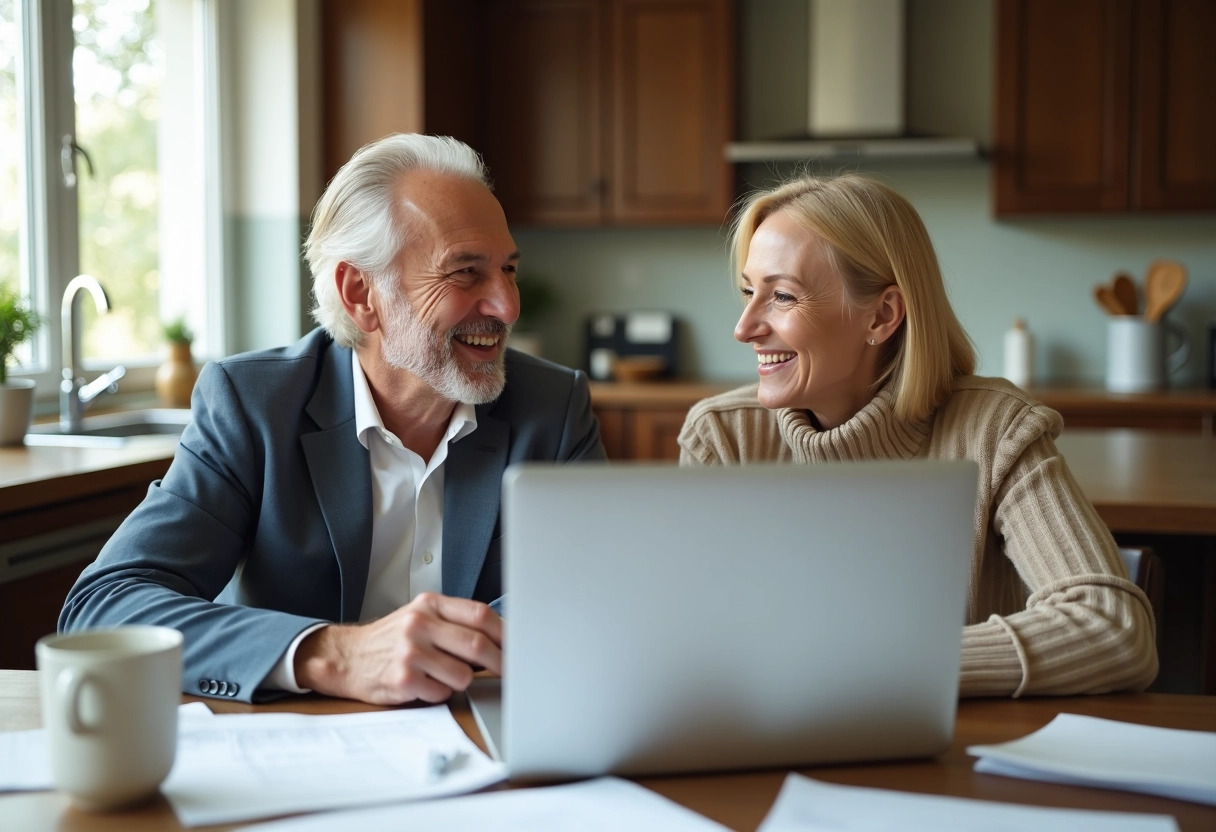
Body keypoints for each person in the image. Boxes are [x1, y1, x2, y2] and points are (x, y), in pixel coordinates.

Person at [60, 134, 605, 705]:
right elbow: (105, 608)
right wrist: (332, 654)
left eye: (508, 270)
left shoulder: (555, 407)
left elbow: (599, 587)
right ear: (360, 292)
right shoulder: (253, 405)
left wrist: (456, 648)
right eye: (466, 272)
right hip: (298, 747)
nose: (507, 305)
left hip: (485, 739)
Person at [678, 174, 1157, 698]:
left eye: (783, 296)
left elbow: (1114, 628)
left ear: (882, 316)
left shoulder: (994, 432)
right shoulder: (725, 438)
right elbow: (687, 639)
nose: (744, 328)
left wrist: (887, 670)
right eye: (750, 292)